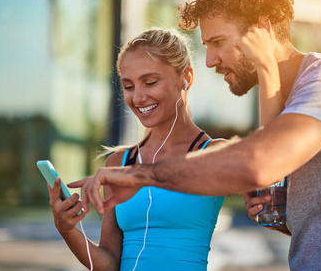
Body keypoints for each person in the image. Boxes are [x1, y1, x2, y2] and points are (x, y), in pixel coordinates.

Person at [70, 0, 321, 270]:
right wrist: (272, 211)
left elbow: (257, 163)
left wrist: (141, 175)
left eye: (218, 42)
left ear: (262, 30)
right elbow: (288, 211)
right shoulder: (290, 105)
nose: (209, 61)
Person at [49, 28, 225, 271]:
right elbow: (108, 262)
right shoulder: (118, 163)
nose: (138, 97)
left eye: (150, 82)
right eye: (129, 86)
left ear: (187, 78)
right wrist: (67, 230)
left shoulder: (214, 154)